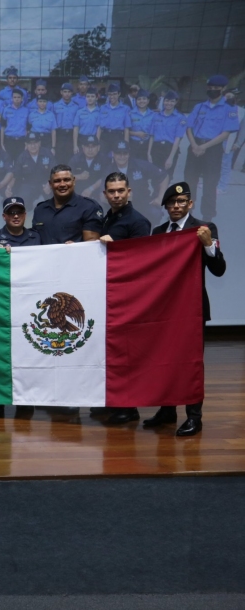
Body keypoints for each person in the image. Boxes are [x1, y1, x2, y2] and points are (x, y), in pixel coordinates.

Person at [145, 182, 226, 436]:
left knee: (191, 363)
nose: (176, 206)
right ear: (166, 207)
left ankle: (194, 417)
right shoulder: (158, 231)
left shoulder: (204, 228)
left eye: (181, 202)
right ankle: (167, 410)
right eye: (171, 203)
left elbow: (219, 270)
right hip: (164, 309)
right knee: (164, 359)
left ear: (190, 204)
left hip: (192, 309)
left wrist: (208, 245)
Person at [93, 171, 153, 425]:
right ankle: (114, 401)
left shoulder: (138, 222)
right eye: (112, 191)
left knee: (127, 354)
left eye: (120, 190)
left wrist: (116, 247)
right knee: (112, 351)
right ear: (105, 194)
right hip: (110, 294)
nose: (116, 195)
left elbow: (141, 261)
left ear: (129, 192)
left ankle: (129, 408)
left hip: (129, 297)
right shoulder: (108, 217)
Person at [0, 196, 41, 418]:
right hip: (1, 303)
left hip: (30, 305)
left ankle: (25, 401)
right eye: (11, 212)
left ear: (25, 215)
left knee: (28, 352)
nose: (15, 216)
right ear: (4, 216)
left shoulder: (37, 237)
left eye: (19, 212)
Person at [184, 75, 240, 221]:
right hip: (195, 146)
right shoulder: (199, 107)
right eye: (210, 88)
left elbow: (226, 133)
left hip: (213, 150)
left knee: (210, 184)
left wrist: (204, 146)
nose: (212, 90)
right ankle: (187, 212)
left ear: (223, 89)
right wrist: (194, 145)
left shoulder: (229, 109)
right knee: (189, 182)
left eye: (216, 88)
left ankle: (207, 217)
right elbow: (189, 127)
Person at [91, 141, 167, 226]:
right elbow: (102, 197)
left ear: (129, 154)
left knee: (156, 213)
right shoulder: (108, 171)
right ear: (113, 154)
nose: (122, 156)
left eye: (125, 153)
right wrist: (122, 199)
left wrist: (160, 197)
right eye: (118, 153)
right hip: (119, 208)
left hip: (142, 203)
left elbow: (163, 176)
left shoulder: (140, 165)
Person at [31, 165, 104, 245]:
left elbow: (92, 244)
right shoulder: (40, 210)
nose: (62, 184)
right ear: (50, 184)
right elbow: (35, 241)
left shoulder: (89, 207)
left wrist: (77, 247)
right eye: (57, 181)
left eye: (66, 180)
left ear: (74, 181)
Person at [9, 132, 53, 209]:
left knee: (55, 204)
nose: (33, 146)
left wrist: (50, 184)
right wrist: (9, 188)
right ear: (26, 144)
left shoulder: (47, 153)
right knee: (22, 204)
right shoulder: (22, 157)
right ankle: (29, 202)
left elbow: (55, 172)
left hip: (45, 183)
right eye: (30, 143)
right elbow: (15, 175)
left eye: (35, 143)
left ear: (39, 143)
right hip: (29, 185)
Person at [149, 90, 187, 177]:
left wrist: (171, 158)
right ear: (163, 101)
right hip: (156, 149)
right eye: (167, 100)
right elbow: (152, 136)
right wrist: (149, 153)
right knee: (155, 177)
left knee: (167, 177)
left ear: (176, 102)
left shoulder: (180, 118)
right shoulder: (156, 116)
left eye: (172, 101)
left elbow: (177, 139)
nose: (169, 103)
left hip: (170, 149)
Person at [98, 83, 131, 153]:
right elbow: (99, 127)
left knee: (118, 157)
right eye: (110, 94)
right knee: (102, 156)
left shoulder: (125, 109)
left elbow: (126, 129)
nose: (112, 96)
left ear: (119, 94)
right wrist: (97, 142)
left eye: (114, 94)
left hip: (118, 136)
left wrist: (126, 145)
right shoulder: (103, 108)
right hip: (104, 137)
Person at [53, 83, 80, 164]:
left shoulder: (76, 106)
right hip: (60, 134)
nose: (67, 94)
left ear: (72, 93)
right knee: (59, 157)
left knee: (71, 157)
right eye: (65, 91)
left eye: (69, 92)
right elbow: (53, 123)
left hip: (71, 135)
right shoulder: (55, 105)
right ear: (61, 92)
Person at [128, 89, 156, 161]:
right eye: (139, 99)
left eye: (144, 99)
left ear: (148, 101)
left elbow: (152, 135)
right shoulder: (130, 114)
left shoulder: (153, 115)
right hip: (133, 145)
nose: (141, 101)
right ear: (136, 101)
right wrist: (136, 134)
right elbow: (125, 131)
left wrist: (149, 153)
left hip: (146, 145)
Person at [73, 90, 101, 155]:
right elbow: (76, 129)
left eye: (92, 96)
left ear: (96, 98)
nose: (90, 98)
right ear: (85, 98)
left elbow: (99, 129)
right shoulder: (79, 112)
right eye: (88, 96)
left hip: (94, 139)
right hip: (81, 139)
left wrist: (97, 144)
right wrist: (75, 145)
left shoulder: (99, 112)